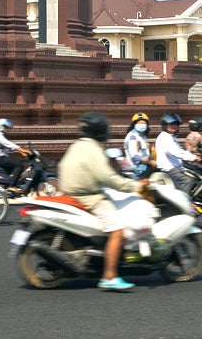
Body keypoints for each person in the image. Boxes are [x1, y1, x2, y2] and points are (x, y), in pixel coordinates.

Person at [57, 111, 142, 291]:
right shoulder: (94, 149)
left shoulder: (78, 145)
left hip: (69, 192)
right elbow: (107, 178)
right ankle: (109, 276)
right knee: (118, 229)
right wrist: (133, 187)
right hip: (90, 197)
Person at [153, 114, 196, 189]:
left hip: (177, 169)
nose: (174, 126)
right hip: (169, 170)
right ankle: (184, 200)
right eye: (171, 124)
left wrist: (193, 156)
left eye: (176, 124)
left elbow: (181, 151)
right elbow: (175, 152)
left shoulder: (172, 137)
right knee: (188, 181)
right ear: (165, 125)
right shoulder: (164, 137)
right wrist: (194, 158)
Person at [0, 117, 29, 193]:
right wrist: (21, 149)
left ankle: (11, 185)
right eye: (6, 127)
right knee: (19, 165)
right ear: (1, 127)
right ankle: (12, 186)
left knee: (14, 170)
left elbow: (7, 147)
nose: (7, 129)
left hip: (1, 157)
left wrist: (20, 152)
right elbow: (8, 144)